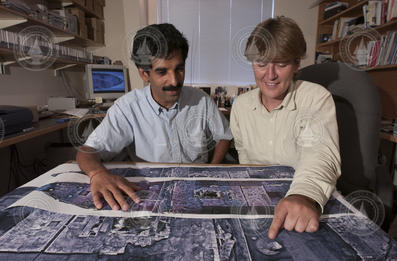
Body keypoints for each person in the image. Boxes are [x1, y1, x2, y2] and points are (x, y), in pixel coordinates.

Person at [77, 23, 232, 211]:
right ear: (144, 74)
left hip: (196, 188)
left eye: (179, 69)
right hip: (150, 192)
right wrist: (98, 174)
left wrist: (211, 170)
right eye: (162, 71)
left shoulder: (201, 100)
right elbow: (87, 151)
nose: (174, 81)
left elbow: (223, 136)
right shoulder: (127, 108)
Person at [230, 17, 341, 239]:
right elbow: (245, 162)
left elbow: (319, 154)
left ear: (297, 64)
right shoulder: (241, 106)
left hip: (302, 203)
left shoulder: (315, 98)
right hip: (257, 206)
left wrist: (303, 195)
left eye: (281, 64)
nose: (270, 75)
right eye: (261, 64)